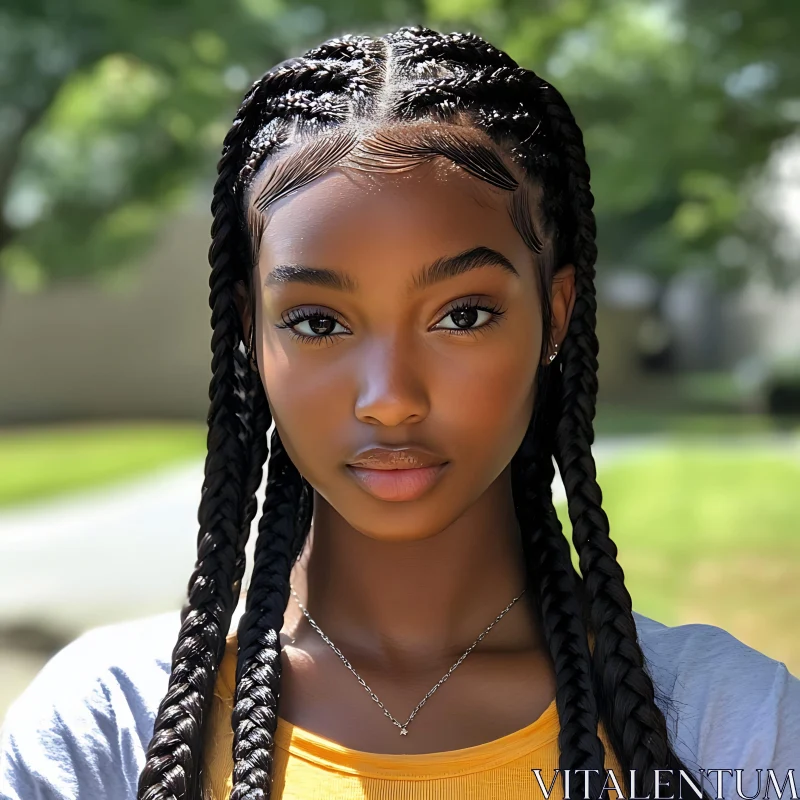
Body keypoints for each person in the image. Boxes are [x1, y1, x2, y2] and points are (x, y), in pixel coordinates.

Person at [1, 25, 798, 800]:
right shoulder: (104, 729)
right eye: (318, 322)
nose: (390, 399)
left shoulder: (736, 729)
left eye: (462, 315)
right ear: (250, 326)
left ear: (555, 315)